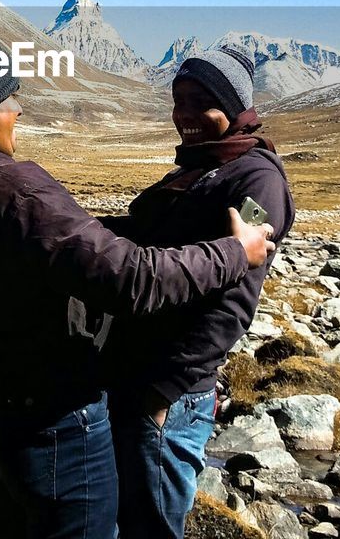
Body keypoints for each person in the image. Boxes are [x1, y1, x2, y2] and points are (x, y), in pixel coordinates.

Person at [0, 29, 276, 539]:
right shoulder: (15, 188)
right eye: (11, 98)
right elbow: (132, 277)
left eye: (203, 102)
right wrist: (236, 251)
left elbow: (228, 307)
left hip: (6, 396)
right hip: (59, 411)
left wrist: (164, 385)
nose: (19, 112)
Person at [103, 46, 296, 539]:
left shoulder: (256, 180)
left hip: (171, 389)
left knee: (152, 524)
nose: (184, 115)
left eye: (201, 102)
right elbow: (155, 233)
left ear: (235, 108)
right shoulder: (203, 166)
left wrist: (166, 388)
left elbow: (235, 299)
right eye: (178, 100)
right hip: (138, 371)